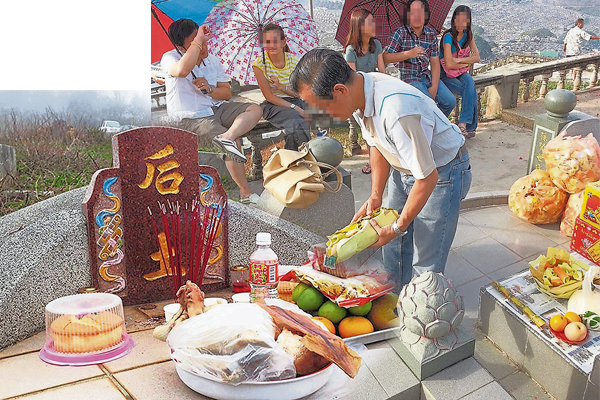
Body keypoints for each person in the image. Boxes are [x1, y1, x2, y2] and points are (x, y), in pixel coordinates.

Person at [291, 49, 471, 289]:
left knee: (426, 257)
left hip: (443, 172)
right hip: (405, 169)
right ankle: (395, 300)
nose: (319, 115)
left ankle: (420, 314)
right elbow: (376, 142)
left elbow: (427, 177)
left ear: (339, 91)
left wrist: (398, 226)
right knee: (393, 248)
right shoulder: (360, 91)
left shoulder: (396, 111)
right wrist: (376, 195)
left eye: (319, 107)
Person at [161, 19, 262, 204]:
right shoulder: (170, 58)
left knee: (255, 109)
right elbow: (182, 70)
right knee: (234, 143)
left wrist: (210, 90)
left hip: (216, 109)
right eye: (197, 42)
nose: (204, 46)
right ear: (180, 47)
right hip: (191, 118)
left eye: (204, 40)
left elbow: (226, 93)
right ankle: (245, 193)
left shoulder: (212, 59)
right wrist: (197, 40)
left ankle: (227, 136)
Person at [382, 0, 456, 118]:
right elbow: (386, 57)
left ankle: (433, 129)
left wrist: (435, 86)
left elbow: (435, 62)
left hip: (426, 76)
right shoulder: (400, 33)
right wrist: (408, 54)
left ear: (425, 15)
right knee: (427, 105)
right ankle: (428, 130)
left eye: (419, 12)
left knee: (449, 102)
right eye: (413, 12)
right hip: (409, 79)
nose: (416, 16)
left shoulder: (430, 34)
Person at [252, 23, 310, 151]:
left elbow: (297, 93)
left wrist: (281, 87)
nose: (271, 45)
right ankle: (307, 154)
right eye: (267, 41)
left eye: (275, 41)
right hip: (273, 105)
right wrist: (295, 107)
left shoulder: (293, 61)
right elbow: (269, 96)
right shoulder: (259, 65)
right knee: (296, 118)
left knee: (314, 113)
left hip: (293, 99)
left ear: (283, 42)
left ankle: (293, 157)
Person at [344, 8, 386, 174]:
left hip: (375, 89)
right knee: (368, 129)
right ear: (359, 27)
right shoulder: (351, 51)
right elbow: (353, 80)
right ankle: (372, 160)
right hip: (359, 95)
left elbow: (382, 72)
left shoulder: (377, 45)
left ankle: (382, 156)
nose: (374, 25)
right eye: (370, 22)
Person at [439, 5, 480, 139]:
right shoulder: (448, 37)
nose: (461, 23)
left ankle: (463, 124)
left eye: (464, 20)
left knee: (470, 82)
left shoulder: (468, 35)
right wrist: (467, 62)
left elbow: (477, 57)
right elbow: (449, 65)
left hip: (460, 72)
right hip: (445, 74)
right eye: (458, 19)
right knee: (471, 90)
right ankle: (468, 126)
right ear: (454, 19)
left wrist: (459, 61)